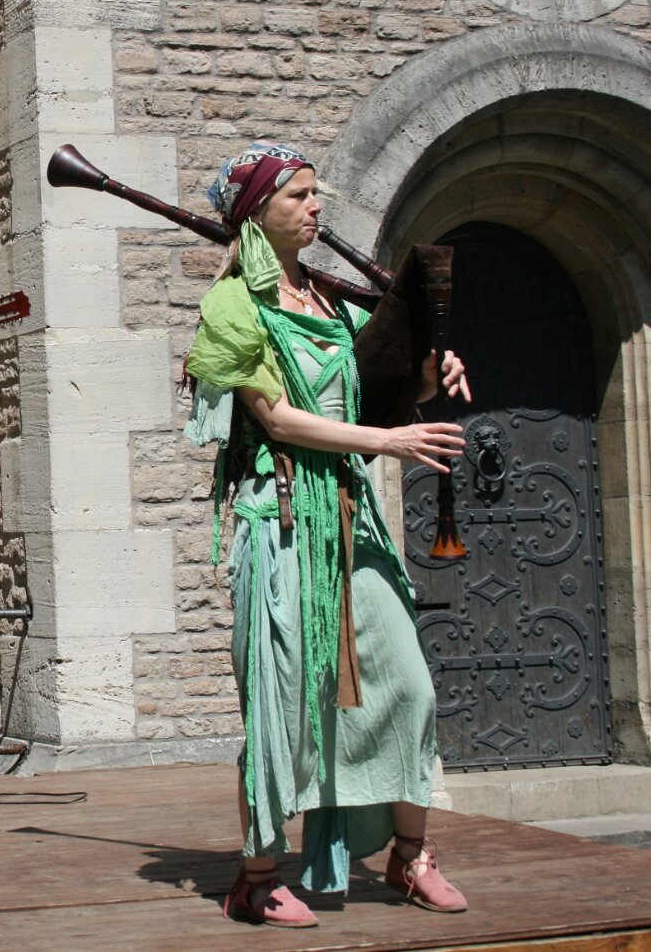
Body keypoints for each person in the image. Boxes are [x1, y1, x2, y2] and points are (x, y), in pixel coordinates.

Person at [183, 143, 473, 928]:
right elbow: (276, 417)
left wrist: (433, 372)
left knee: (407, 682)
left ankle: (410, 855)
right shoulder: (234, 307)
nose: (316, 207)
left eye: (316, 194)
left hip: (350, 515)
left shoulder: (332, 302)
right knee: (280, 702)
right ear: (257, 212)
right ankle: (256, 874)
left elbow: (376, 391)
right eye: (300, 195)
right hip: (280, 519)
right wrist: (388, 443)